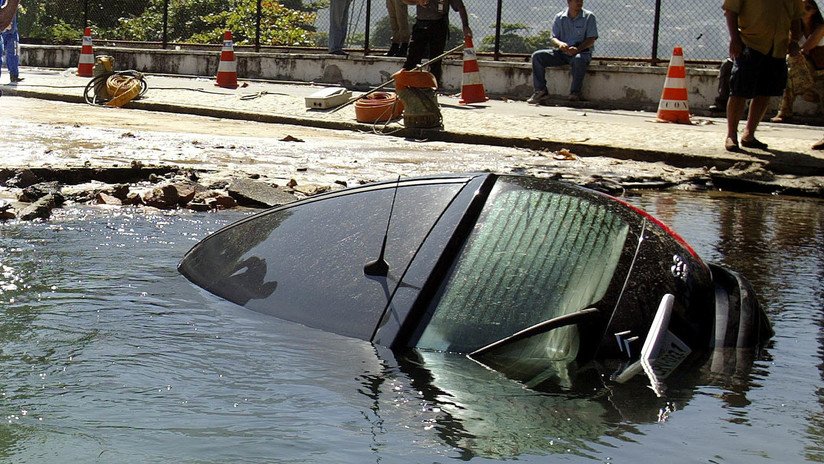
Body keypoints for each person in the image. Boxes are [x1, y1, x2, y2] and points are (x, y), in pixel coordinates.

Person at [723, 0, 803, 152]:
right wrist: (734, 39)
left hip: (778, 47)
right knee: (739, 90)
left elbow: (796, 17)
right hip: (750, 43)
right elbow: (730, 11)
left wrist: (794, 41)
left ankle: (749, 134)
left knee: (765, 91)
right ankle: (731, 135)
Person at [527, 0, 598, 104]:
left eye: (581, 0)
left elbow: (591, 39)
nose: (580, 3)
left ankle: (575, 93)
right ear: (569, 2)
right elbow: (553, 37)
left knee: (578, 60)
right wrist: (560, 44)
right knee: (537, 56)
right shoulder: (559, 17)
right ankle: (540, 91)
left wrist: (577, 49)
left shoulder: (588, 16)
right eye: (577, 0)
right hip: (562, 53)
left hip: (581, 52)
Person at [771, 0, 824, 123]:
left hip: (819, 68)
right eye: (801, 7)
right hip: (802, 67)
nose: (803, 10)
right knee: (789, 73)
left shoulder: (821, 28)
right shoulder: (795, 28)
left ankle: (786, 111)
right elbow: (786, 47)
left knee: (792, 63)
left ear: (814, 11)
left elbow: (806, 48)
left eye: (808, 7)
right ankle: (804, 93)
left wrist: (794, 49)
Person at [401, 0, 472, 88]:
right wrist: (417, 1)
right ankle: (406, 87)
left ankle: (433, 88)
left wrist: (465, 26)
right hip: (420, 24)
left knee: (435, 60)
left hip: (438, 25)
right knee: (412, 58)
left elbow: (460, 7)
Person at [1, 0, 22, 83]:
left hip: (12, 30)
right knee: (11, 53)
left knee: (14, 53)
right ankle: (14, 75)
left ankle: (14, 75)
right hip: (6, 29)